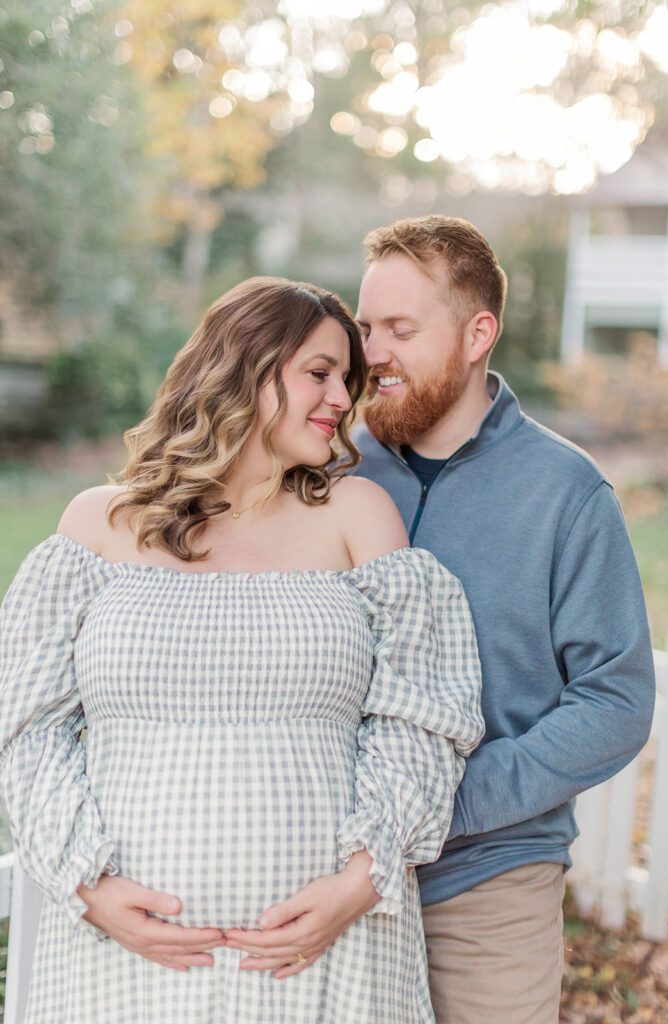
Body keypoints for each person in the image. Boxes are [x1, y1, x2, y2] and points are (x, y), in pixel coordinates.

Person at [0, 276, 484, 1024]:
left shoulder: (357, 516)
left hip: (327, 953)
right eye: (319, 373)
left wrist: (359, 884)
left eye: (348, 380)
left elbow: (420, 720)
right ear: (243, 368)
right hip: (124, 957)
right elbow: (27, 727)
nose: (341, 400)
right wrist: (90, 889)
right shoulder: (100, 524)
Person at [344, 214, 655, 1024]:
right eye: (366, 328)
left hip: (487, 877)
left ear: (477, 334)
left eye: (401, 329)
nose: (372, 353)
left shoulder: (565, 491)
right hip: (327, 861)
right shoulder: (332, 470)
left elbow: (615, 699)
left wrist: (452, 803)